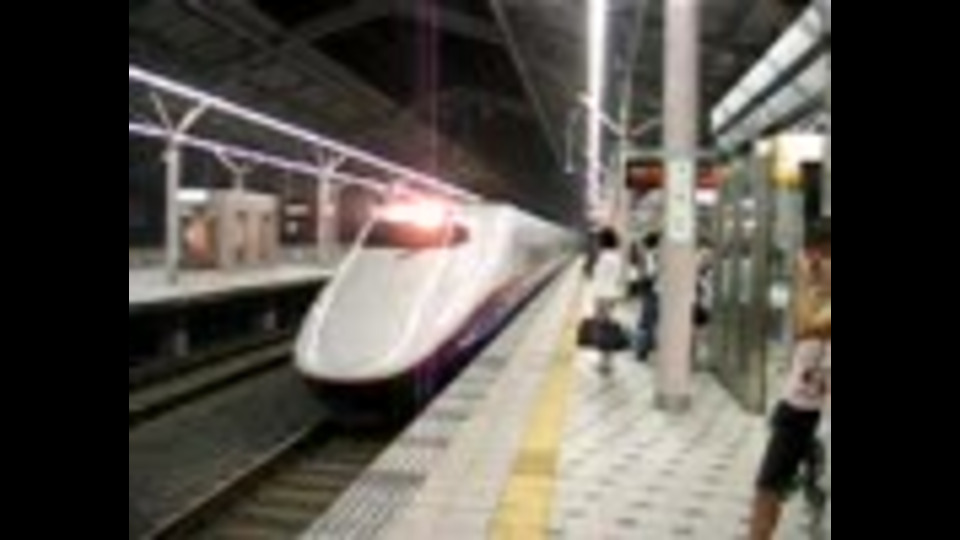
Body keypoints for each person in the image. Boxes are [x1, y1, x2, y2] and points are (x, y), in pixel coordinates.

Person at [750, 218, 831, 540]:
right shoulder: (815, 294)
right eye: (812, 257)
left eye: (823, 257)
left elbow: (806, 325)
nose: (816, 266)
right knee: (769, 485)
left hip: (815, 412)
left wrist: (806, 281)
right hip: (798, 405)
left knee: (776, 486)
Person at [591, 227, 625, 375]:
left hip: (603, 297)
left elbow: (599, 278)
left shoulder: (604, 257)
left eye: (599, 239)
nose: (597, 242)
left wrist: (597, 300)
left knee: (603, 330)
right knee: (608, 329)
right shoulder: (616, 257)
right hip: (611, 295)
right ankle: (608, 361)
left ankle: (605, 363)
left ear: (603, 241)